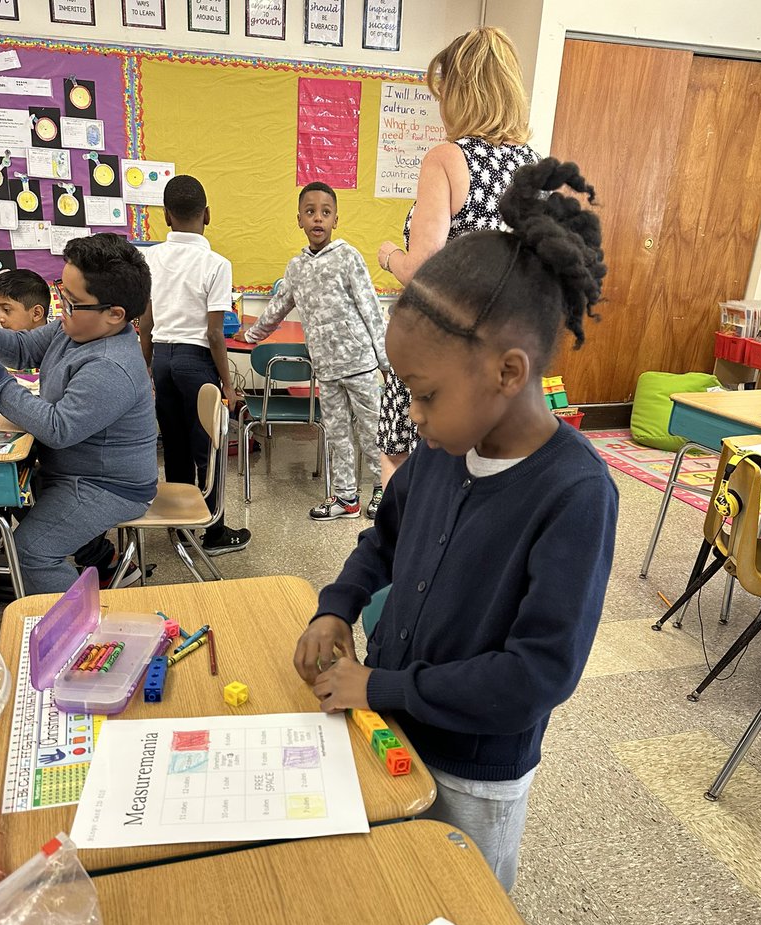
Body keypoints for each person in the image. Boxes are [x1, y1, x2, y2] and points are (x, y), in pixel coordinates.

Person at [294, 159, 617, 891]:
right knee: (397, 890)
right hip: (394, 720)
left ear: (508, 372)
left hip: (475, 770)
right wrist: (336, 605)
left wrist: (380, 687)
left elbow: (536, 675)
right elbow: (383, 540)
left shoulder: (576, 494)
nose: (412, 415)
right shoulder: (443, 448)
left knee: (464, 912)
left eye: (425, 394)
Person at [0, 233, 158, 595]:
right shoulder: (73, 330)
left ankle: (80, 634)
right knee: (16, 496)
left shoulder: (111, 365)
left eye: (72, 302)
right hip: (74, 471)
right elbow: (25, 347)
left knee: (31, 551)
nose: (62, 309)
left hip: (109, 486)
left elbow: (58, 428)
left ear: (115, 315)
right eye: (62, 294)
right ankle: (92, 567)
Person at [376, 27, 540, 491]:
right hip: (506, 353)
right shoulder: (535, 167)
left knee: (403, 464)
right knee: (484, 474)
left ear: (463, 93)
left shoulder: (449, 159)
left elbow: (426, 271)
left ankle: (407, 558)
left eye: (443, 93)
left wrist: (390, 256)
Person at [236, 181, 387, 522]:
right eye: (310, 212)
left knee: (372, 429)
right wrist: (253, 333)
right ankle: (346, 498)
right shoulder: (296, 267)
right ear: (299, 220)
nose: (318, 219)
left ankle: (385, 490)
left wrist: (385, 360)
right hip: (327, 368)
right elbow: (277, 308)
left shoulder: (348, 257)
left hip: (360, 363)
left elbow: (371, 308)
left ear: (335, 219)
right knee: (336, 434)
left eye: (325, 212)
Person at [139, 175, 250, 557]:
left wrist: (146, 371)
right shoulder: (216, 263)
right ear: (207, 215)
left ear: (167, 217)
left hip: (164, 361)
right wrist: (229, 385)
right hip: (196, 363)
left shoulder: (150, 258)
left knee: (175, 447)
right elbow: (216, 334)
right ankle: (214, 531)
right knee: (209, 449)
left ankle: (180, 527)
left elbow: (147, 325)